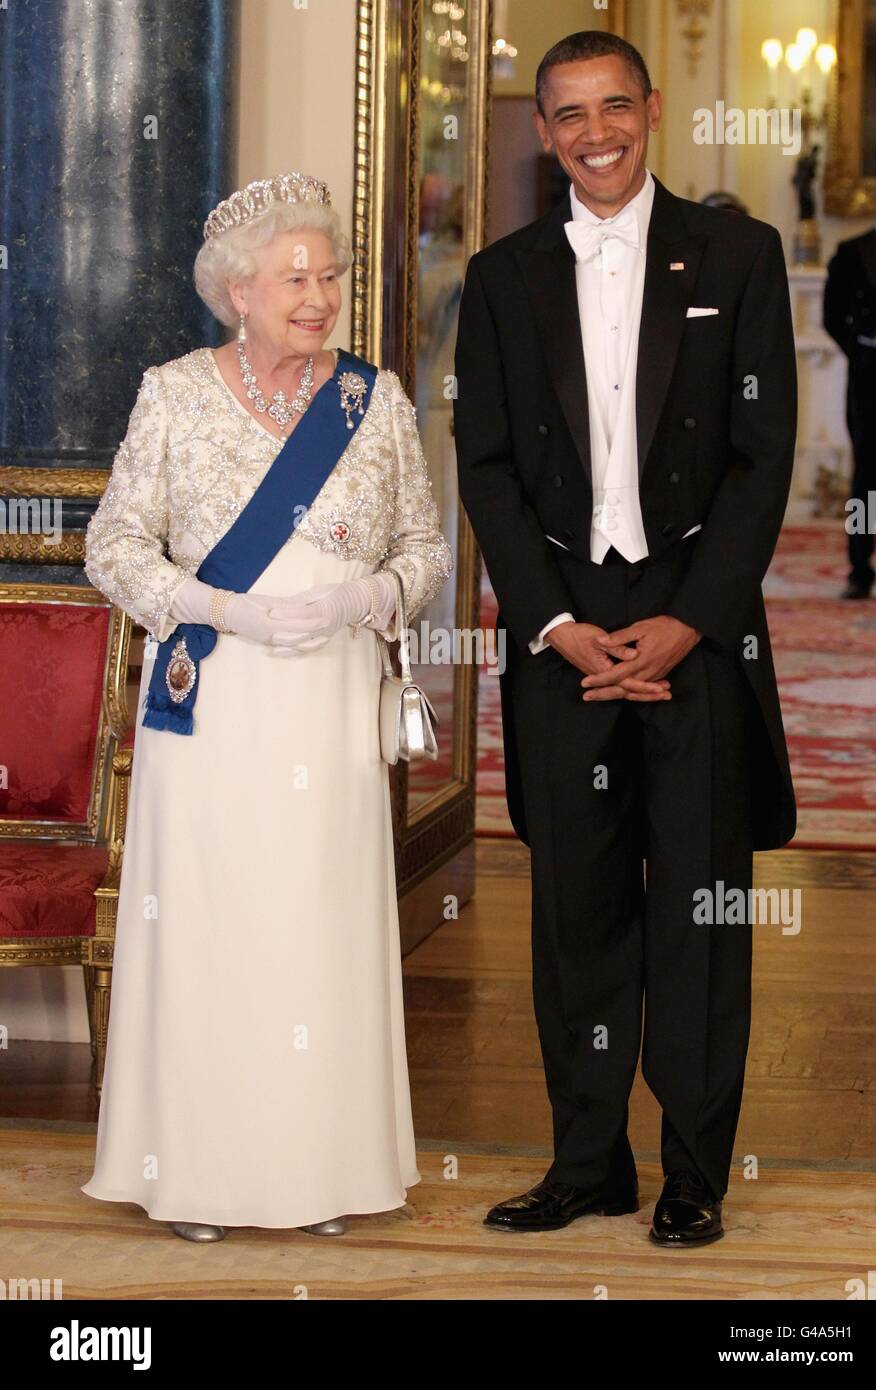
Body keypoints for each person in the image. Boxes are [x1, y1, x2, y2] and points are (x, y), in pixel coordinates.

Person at [454, 32, 797, 1246]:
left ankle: (693, 1171)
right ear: (543, 131)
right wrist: (552, 622)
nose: (594, 133)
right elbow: (486, 469)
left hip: (696, 626)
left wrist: (689, 619)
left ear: (650, 110)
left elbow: (764, 463)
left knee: (699, 908)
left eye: (614, 107)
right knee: (576, 911)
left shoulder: (740, 255)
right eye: (568, 115)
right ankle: (586, 1160)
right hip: (562, 630)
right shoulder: (498, 280)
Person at [80, 172, 453, 1242]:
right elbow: (114, 545)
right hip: (216, 703)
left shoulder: (369, 401)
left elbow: (423, 549)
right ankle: (198, 1175)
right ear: (236, 290)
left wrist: (369, 594)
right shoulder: (175, 391)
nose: (321, 295)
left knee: (315, 928)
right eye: (297, 277)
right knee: (212, 927)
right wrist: (207, 606)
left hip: (328, 704)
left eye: (330, 275)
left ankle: (319, 1171)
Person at [823, 163, 876, 599]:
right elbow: (833, 315)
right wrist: (860, 350)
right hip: (871, 373)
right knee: (866, 481)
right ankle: (860, 572)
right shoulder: (853, 251)